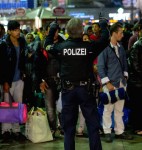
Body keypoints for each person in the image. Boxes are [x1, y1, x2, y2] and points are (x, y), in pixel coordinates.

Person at [42, 18, 109, 150]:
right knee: (93, 127)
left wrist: (54, 28)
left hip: (68, 91)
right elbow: (104, 39)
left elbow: (47, 45)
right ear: (81, 31)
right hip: (86, 91)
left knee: (68, 128)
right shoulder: (89, 47)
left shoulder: (61, 47)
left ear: (67, 31)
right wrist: (102, 24)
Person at [98, 22, 133, 143]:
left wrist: (125, 77)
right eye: (121, 33)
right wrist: (106, 83)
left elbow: (124, 64)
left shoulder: (121, 47)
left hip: (121, 83)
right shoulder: (104, 48)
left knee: (120, 110)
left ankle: (119, 131)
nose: (122, 35)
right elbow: (100, 67)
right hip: (110, 84)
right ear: (114, 33)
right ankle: (107, 131)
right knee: (108, 109)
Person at [1, 20, 26, 143]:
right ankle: (6, 130)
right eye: (15, 30)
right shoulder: (4, 44)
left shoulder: (22, 41)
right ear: (9, 31)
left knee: (18, 104)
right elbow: (2, 65)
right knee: (7, 105)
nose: (18, 32)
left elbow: (23, 58)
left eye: (18, 29)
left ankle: (16, 130)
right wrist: (5, 81)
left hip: (19, 79)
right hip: (8, 80)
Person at [127, 27, 142, 136]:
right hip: (137, 82)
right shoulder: (138, 46)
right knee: (138, 105)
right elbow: (135, 65)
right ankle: (137, 127)